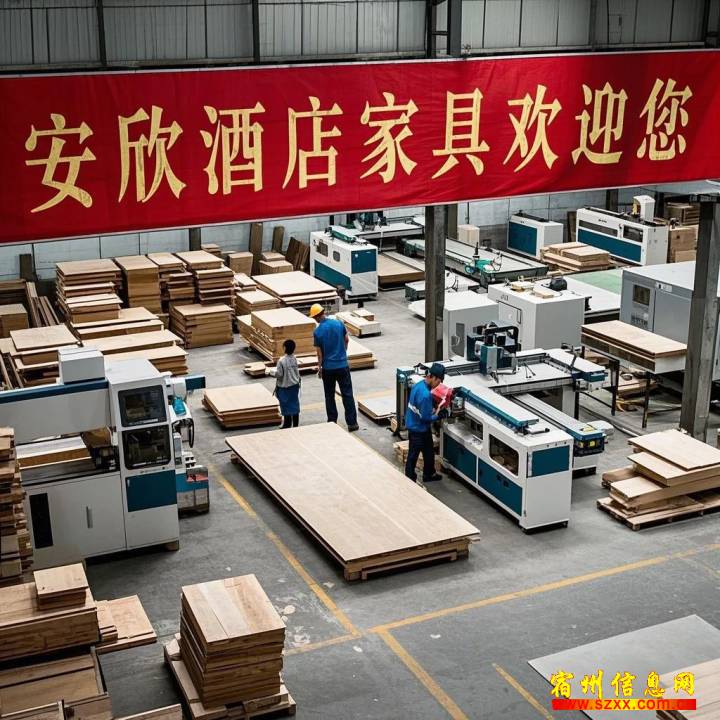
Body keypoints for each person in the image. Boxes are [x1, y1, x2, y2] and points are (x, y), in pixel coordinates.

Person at [309, 303, 359, 431]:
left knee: (329, 395)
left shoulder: (318, 332)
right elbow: (346, 340)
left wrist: (320, 368)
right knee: (347, 394)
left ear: (316, 316)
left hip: (328, 368)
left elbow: (319, 354)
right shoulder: (338, 323)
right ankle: (352, 423)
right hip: (342, 365)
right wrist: (343, 353)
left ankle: (332, 422)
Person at [405, 363, 449, 485]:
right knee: (413, 456)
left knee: (429, 451)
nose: (438, 385)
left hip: (418, 425)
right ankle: (409, 478)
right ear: (433, 377)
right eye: (438, 381)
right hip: (417, 429)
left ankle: (429, 474)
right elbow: (425, 418)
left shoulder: (419, 385)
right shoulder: (425, 395)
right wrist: (438, 415)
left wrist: (432, 405)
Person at [267, 338, 301, 428]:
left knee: (285, 405)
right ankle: (296, 424)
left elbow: (279, 374)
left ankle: (287, 423)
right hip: (294, 385)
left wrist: (270, 373)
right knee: (294, 404)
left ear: (285, 348)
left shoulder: (281, 361)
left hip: (284, 387)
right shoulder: (294, 358)